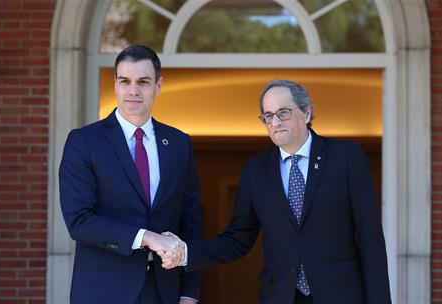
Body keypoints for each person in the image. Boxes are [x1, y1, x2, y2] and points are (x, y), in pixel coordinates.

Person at [159, 79, 391, 304]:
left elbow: (370, 237)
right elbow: (238, 238)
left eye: (283, 112)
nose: (275, 122)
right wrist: (187, 252)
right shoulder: (256, 170)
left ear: (307, 113)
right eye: (268, 116)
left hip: (340, 294)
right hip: (281, 295)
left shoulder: (346, 157)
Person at [59, 45, 202, 304]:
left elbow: (191, 221)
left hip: (164, 291)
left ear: (158, 85)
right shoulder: (85, 142)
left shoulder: (179, 143)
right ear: (115, 84)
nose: (133, 90)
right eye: (125, 80)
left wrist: (189, 293)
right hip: (103, 290)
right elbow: (79, 220)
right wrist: (148, 238)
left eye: (143, 82)